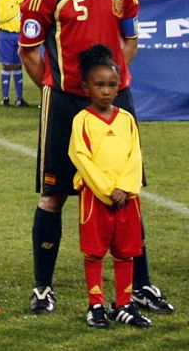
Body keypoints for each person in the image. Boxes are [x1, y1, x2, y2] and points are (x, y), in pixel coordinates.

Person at [19, 0, 172, 315]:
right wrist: (61, 87)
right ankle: (43, 287)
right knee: (54, 194)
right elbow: (29, 51)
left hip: (116, 102)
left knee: (128, 193)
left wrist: (108, 84)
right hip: (66, 103)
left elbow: (130, 42)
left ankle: (141, 285)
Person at [69, 44, 151, 329]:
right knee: (94, 252)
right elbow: (81, 157)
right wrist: (106, 190)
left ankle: (124, 304)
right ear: (86, 88)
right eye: (99, 85)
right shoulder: (82, 120)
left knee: (125, 251)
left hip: (127, 199)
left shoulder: (127, 119)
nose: (106, 90)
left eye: (112, 85)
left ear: (119, 87)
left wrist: (125, 188)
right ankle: (96, 305)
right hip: (96, 198)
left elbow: (135, 156)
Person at [0, 0, 26, 107]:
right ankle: (5, 97)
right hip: (5, 35)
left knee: (18, 65)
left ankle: (19, 98)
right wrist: (16, 7)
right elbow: (1, 17)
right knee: (7, 65)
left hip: (19, 35)